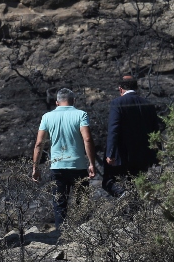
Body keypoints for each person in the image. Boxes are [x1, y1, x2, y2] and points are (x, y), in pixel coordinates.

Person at [32, 88, 96, 230]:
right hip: (78, 166)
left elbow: (38, 144)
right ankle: (84, 235)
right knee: (82, 204)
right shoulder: (81, 115)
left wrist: (35, 167)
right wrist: (92, 163)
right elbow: (87, 139)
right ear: (74, 101)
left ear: (57, 102)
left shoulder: (47, 117)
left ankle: (61, 236)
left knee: (59, 203)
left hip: (57, 167)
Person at [102, 75, 160, 197]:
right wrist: (157, 154)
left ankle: (124, 197)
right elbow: (155, 130)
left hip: (122, 155)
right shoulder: (148, 104)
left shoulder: (117, 103)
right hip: (142, 155)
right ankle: (133, 212)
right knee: (136, 186)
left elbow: (114, 129)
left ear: (120, 89)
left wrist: (110, 153)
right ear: (136, 87)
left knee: (109, 181)